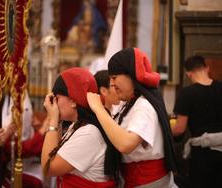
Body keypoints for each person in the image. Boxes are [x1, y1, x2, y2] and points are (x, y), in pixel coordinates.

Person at [87, 48, 178, 187]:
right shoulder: (130, 102)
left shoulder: (144, 105)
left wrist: (99, 109)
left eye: (114, 77)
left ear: (130, 75)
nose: (111, 83)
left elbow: (126, 144)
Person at [41, 67, 120, 187]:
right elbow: (54, 152)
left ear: (73, 101)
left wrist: (52, 120)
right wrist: (56, 120)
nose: (55, 103)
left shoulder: (89, 133)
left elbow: (49, 168)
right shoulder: (78, 125)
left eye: (57, 97)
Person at [172, 55, 222, 188]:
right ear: (207, 68)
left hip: (203, 154)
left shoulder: (187, 93)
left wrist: (164, 132)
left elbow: (180, 129)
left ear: (188, 74)